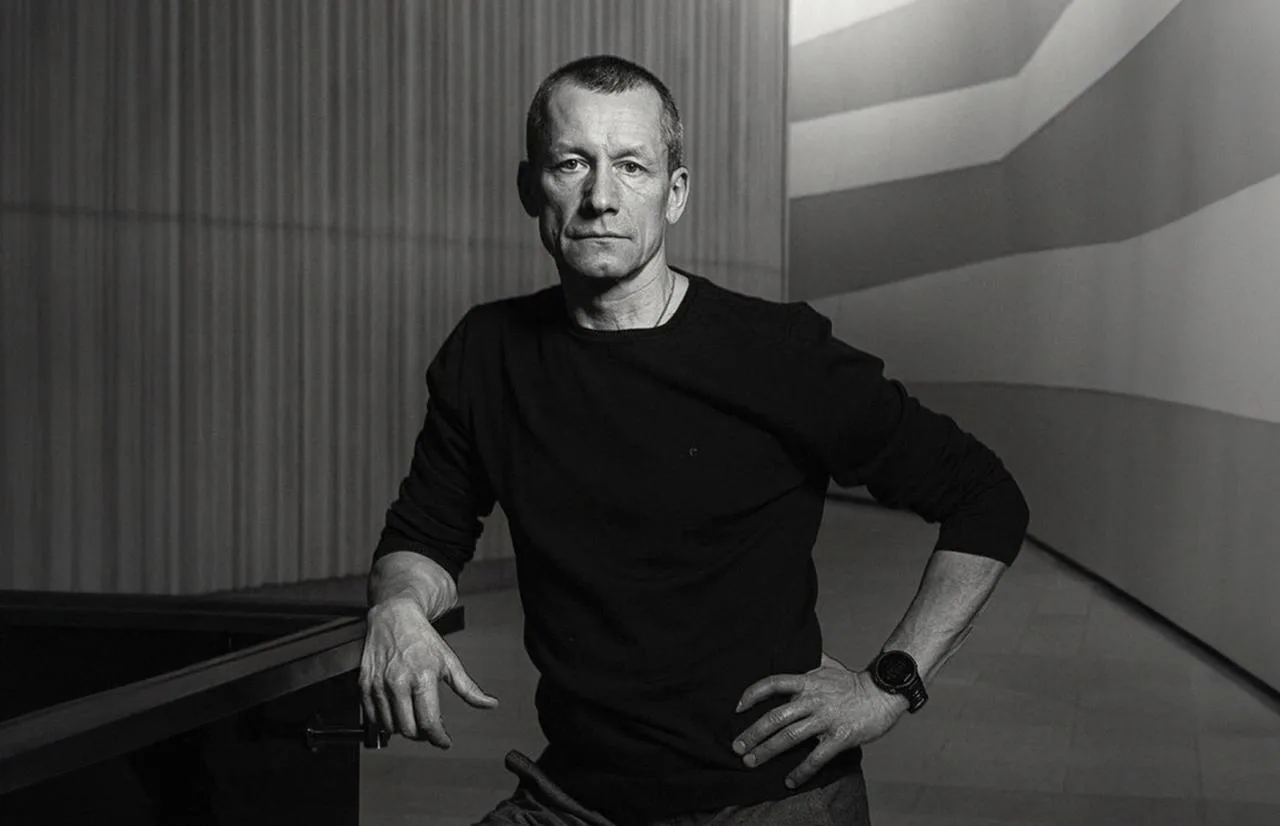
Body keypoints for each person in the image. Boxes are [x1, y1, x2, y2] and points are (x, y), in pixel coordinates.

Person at [359, 54, 1029, 826]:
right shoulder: (488, 354)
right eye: (572, 163)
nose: (600, 197)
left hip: (773, 802)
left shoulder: (778, 354)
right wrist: (399, 608)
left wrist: (888, 686)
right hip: (577, 795)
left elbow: (985, 498)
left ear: (675, 193)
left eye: (632, 166)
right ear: (529, 187)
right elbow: (425, 538)